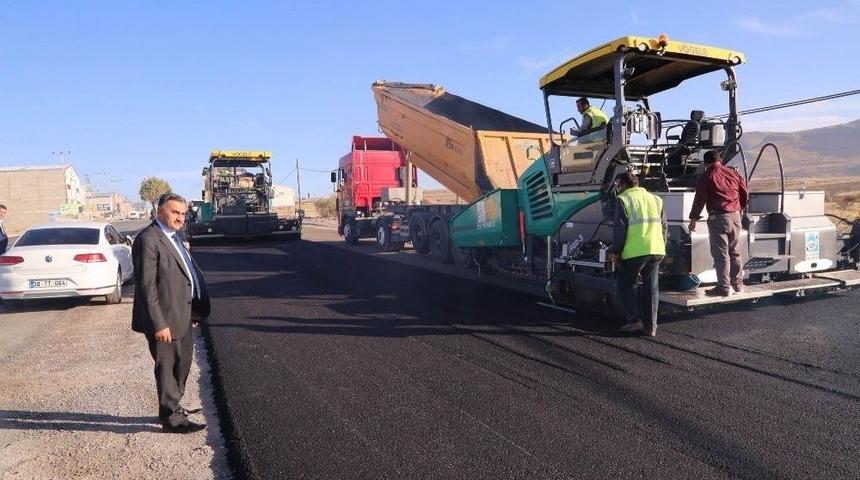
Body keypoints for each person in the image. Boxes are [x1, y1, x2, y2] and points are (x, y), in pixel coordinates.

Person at [132, 192, 210, 434]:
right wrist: (159, 324)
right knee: (168, 368)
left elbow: (186, 277)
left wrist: (193, 313)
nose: (180, 218)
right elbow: (147, 287)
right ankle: (171, 419)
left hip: (182, 315)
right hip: (164, 319)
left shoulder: (174, 236)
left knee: (183, 363)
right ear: (159, 210)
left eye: (183, 214)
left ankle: (175, 405)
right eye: (175, 212)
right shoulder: (149, 239)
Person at [609, 172, 667, 337]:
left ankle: (634, 320)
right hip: (656, 249)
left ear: (622, 185)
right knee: (651, 288)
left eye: (618, 186)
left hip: (635, 251)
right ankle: (651, 327)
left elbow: (619, 230)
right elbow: (664, 227)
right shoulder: (656, 199)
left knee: (624, 284)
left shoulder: (623, 200)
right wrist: (661, 246)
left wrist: (616, 252)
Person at [688, 150, 749, 297]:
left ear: (706, 163)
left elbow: (699, 200)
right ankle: (738, 285)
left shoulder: (707, 176)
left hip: (719, 218)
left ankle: (724, 287)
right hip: (735, 216)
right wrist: (739, 208)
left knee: (721, 254)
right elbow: (745, 192)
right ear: (720, 159)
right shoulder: (733, 173)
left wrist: (693, 220)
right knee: (735, 252)